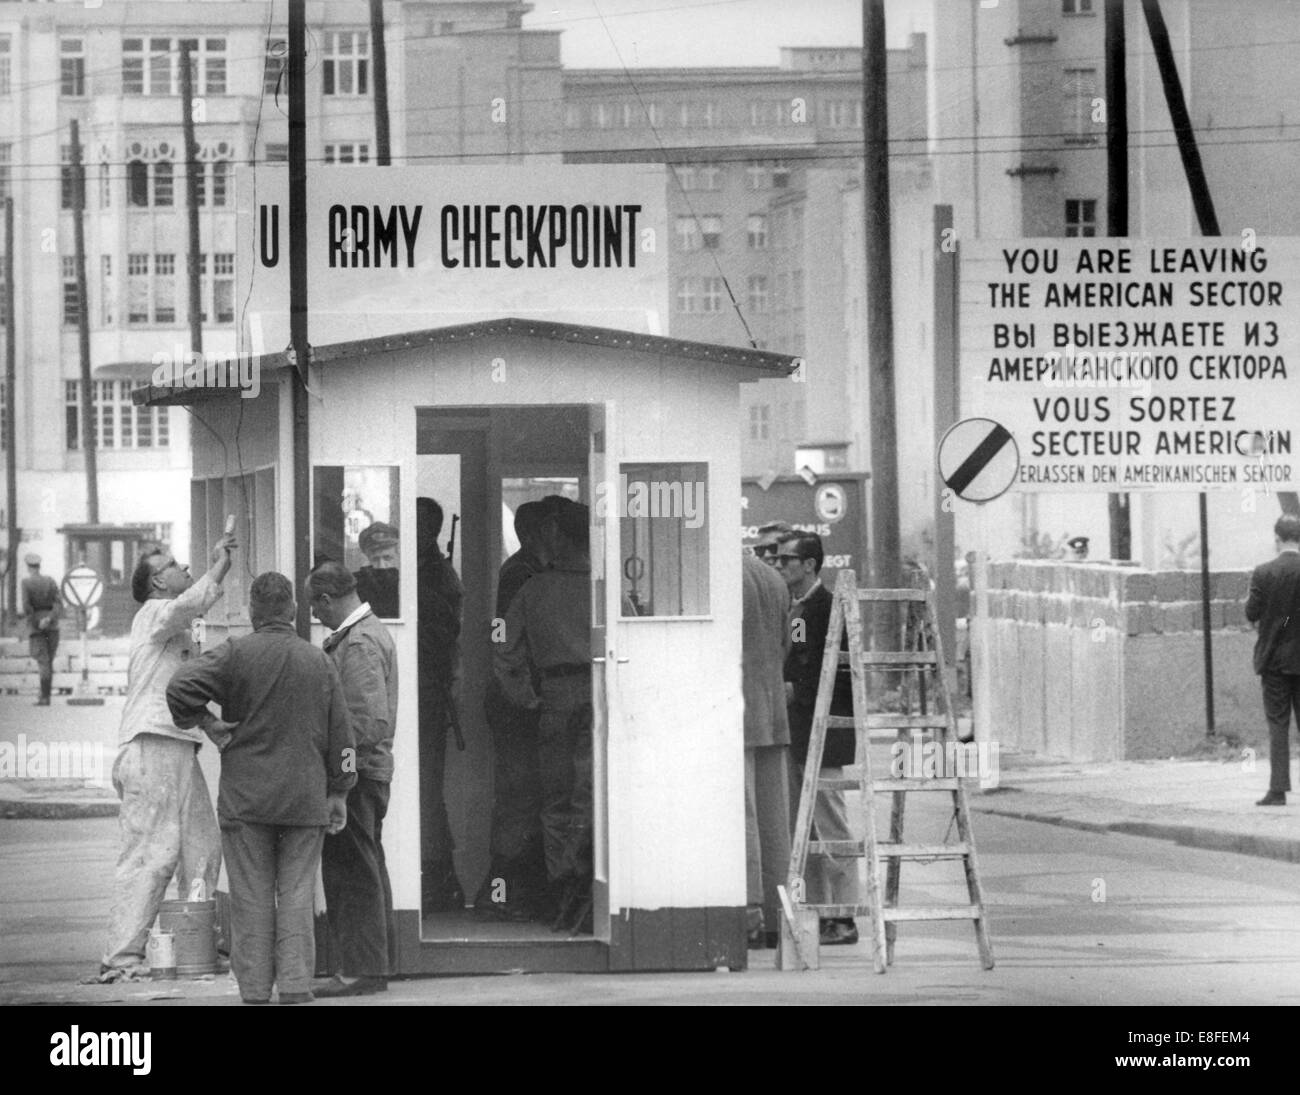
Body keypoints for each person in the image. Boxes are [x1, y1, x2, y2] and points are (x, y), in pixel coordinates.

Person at [166, 572, 355, 1005]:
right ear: (292, 610)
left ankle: (254, 993)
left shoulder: (234, 654)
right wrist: (340, 791)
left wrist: (209, 723)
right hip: (305, 801)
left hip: (246, 801)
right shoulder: (319, 661)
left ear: (253, 612)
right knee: (296, 894)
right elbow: (342, 737)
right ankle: (294, 987)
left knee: (250, 897)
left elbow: (178, 687)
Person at [99, 533, 235, 981]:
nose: (185, 568)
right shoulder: (154, 614)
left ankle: (194, 943)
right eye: (175, 564)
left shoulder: (174, 630)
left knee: (203, 849)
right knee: (150, 854)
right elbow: (189, 604)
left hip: (176, 746)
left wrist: (211, 725)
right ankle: (122, 955)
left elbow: (180, 691)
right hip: (150, 746)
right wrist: (218, 568)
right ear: (158, 580)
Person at [495, 498, 594, 933]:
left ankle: (561, 890)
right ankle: (590, 888)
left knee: (554, 801)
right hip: (599, 693)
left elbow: (502, 644)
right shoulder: (606, 587)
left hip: (554, 697)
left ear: (559, 535)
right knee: (591, 797)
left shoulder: (533, 588)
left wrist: (524, 696)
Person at [306, 561, 398, 996]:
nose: (315, 614)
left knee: (352, 872)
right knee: (366, 865)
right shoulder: (364, 633)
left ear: (327, 599)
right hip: (366, 771)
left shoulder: (357, 642)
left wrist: (339, 781)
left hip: (357, 773)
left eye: (315, 605)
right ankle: (376, 964)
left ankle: (361, 970)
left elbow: (364, 721)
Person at [777, 532, 861, 946]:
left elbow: (826, 670)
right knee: (807, 828)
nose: (779, 564)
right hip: (800, 729)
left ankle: (844, 915)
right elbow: (797, 658)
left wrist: (794, 689)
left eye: (787, 558)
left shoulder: (825, 608)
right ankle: (821, 913)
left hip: (823, 731)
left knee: (830, 823)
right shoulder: (797, 609)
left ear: (810, 564)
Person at [474, 499, 554, 922]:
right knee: (519, 800)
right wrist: (522, 692)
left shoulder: (522, 572)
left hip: (517, 699)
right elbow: (502, 634)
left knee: (521, 799)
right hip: (518, 702)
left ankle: (506, 892)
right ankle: (500, 893)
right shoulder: (522, 575)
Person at [741, 547, 793, 949]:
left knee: (742, 814)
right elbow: (785, 644)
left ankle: (749, 910)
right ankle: (779, 912)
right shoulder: (774, 579)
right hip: (773, 708)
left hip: (737, 709)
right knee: (775, 817)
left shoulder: (722, 575)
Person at [417, 496, 465, 912]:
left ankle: (438, 876)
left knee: (427, 791)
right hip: (422, 692)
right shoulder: (419, 572)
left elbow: (443, 635)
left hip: (430, 693)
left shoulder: (438, 577)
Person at [1246, 513, 1300, 806]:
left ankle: (1278, 790)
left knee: (1278, 723)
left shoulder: (1264, 572)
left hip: (1275, 660)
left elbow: (1251, 612)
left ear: (1277, 539)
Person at [20, 553, 62, 706]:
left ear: (28, 567)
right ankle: (45, 695)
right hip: (52, 627)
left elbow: (26, 606)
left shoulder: (26, 583)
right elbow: (58, 603)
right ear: (39, 566)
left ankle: (44, 697)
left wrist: (38, 622)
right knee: (49, 661)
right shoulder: (50, 581)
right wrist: (49, 618)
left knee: (43, 662)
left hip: (37, 628)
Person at [355, 521, 400, 619]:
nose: (381, 566)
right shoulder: (356, 584)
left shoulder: (406, 583)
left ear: (397, 555)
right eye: (375, 559)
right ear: (366, 557)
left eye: (387, 558)